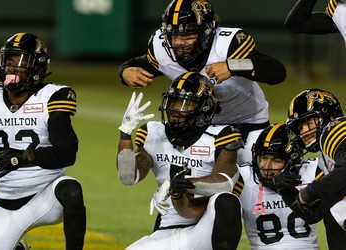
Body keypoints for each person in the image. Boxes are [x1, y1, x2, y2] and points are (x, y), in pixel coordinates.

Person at [118, 0, 286, 164]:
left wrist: (233, 65)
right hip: (201, 129)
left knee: (254, 181)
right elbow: (135, 65)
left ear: (206, 31)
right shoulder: (161, 50)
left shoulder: (228, 44)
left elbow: (276, 71)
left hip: (248, 123)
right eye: (175, 35)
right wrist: (125, 72)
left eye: (188, 35)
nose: (179, 43)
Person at [0, 32, 86, 250]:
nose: (12, 68)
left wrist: (26, 156)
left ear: (37, 68)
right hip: (7, 203)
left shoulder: (52, 96)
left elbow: (68, 151)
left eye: (21, 62)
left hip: (47, 195)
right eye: (9, 61)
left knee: (71, 190)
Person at [117, 72, 244, 249]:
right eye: (174, 101)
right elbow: (128, 176)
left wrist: (177, 185)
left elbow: (224, 183)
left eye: (187, 103)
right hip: (167, 228)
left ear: (204, 107)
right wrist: (125, 133)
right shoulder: (153, 132)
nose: (177, 108)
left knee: (225, 200)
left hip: (204, 228)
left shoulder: (221, 135)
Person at [273, 89, 346, 249]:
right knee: (336, 211)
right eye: (300, 128)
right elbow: (315, 213)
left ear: (330, 116)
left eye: (308, 123)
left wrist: (307, 193)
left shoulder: (338, 129)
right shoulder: (324, 159)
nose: (304, 132)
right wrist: (287, 192)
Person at [233, 122, 323, 249]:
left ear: (292, 160)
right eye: (263, 158)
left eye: (276, 160)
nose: (267, 166)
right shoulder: (244, 178)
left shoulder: (312, 172)